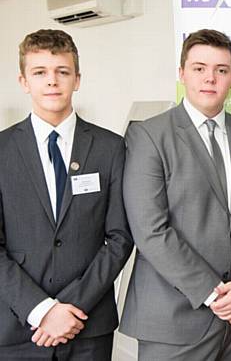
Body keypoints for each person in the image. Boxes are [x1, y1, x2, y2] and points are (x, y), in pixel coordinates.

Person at [119, 29, 231, 360]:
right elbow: (150, 230)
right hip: (174, 320)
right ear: (181, 73)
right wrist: (213, 294)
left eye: (221, 69)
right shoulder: (149, 136)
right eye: (199, 68)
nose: (210, 78)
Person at [0, 29, 133, 360]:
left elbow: (119, 238)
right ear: (23, 81)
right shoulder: (1, 150)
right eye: (40, 73)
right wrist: (42, 310)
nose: (52, 82)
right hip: (19, 326)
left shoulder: (110, 148)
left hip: (87, 326)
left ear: (77, 79)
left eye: (62, 72)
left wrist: (70, 308)